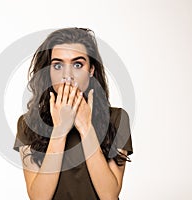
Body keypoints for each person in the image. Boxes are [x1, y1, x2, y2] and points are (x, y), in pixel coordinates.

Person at [13, 27, 133, 200]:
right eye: (58, 65)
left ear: (91, 70)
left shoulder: (117, 118)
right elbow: (38, 197)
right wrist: (60, 131)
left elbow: (109, 195)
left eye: (77, 64)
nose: (67, 75)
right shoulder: (28, 123)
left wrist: (85, 127)